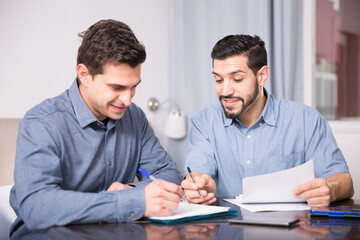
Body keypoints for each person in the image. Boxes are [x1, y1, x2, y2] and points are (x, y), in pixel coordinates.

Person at [9, 19, 184, 237]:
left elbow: (168, 173)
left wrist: (132, 191)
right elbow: (37, 207)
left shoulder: (135, 117)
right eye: (117, 87)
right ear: (84, 75)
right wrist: (129, 201)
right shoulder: (42, 122)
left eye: (134, 87)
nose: (127, 100)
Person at [181, 34, 354, 207]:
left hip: (293, 230)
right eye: (218, 79)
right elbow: (197, 172)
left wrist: (329, 189)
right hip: (228, 230)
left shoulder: (306, 120)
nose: (225, 90)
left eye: (237, 79)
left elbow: (343, 180)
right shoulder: (204, 121)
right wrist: (196, 187)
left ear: (262, 76)